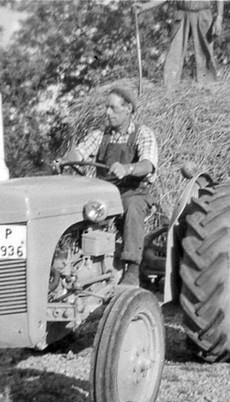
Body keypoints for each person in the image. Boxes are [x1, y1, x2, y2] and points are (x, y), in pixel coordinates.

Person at [54, 86, 159, 286]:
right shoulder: (99, 135)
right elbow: (80, 152)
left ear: (128, 109)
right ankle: (69, 261)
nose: (107, 113)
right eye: (106, 108)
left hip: (132, 191)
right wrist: (66, 160)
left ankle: (133, 268)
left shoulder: (143, 134)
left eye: (112, 108)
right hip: (104, 194)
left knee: (133, 208)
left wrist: (127, 168)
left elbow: (148, 164)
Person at [135, 0, 224, 88]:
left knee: (205, 51)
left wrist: (219, 18)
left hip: (203, 14)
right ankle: (170, 86)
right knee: (175, 50)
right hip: (182, 14)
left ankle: (208, 85)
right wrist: (144, 6)